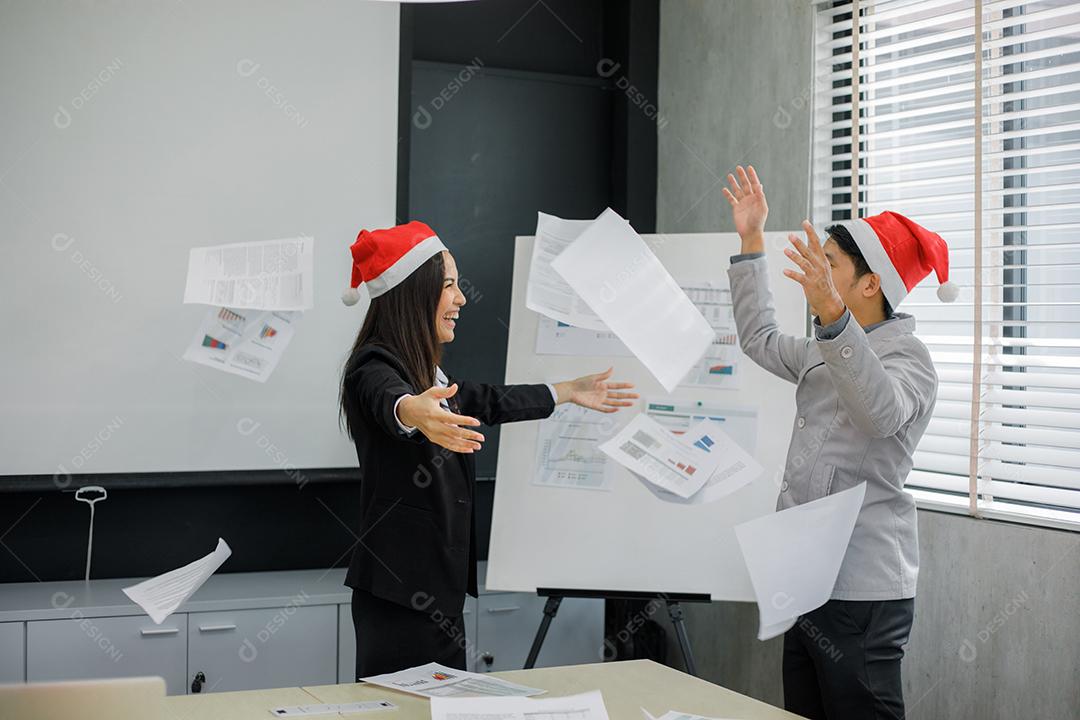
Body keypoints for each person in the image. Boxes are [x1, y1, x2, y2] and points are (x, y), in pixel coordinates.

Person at [337, 220, 638, 679]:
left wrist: (567, 390)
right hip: (400, 594)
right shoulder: (375, 365)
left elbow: (489, 400)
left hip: (436, 590)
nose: (460, 299)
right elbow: (388, 400)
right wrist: (412, 411)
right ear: (412, 293)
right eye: (449, 286)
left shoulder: (429, 375)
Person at [723, 166, 954, 719]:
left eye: (829, 264)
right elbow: (758, 339)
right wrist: (751, 239)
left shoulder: (909, 360)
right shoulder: (823, 344)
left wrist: (831, 313)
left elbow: (881, 415)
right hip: (805, 575)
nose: (814, 272)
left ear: (871, 284)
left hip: (862, 588)